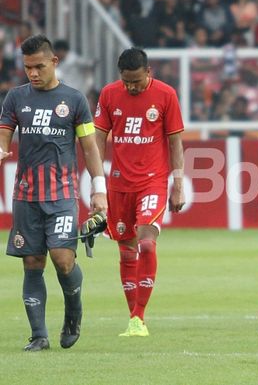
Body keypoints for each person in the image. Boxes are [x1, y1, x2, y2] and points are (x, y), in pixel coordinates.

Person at [1, 35, 108, 351]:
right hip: (25, 196)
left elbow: (89, 148)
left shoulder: (74, 100)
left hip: (62, 195)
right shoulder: (15, 98)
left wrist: (98, 191)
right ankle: (39, 335)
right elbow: (4, 137)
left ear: (54, 62)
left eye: (38, 66)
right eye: (27, 67)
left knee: (63, 260)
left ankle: (73, 313)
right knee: (32, 261)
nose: (32, 73)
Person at [94, 48, 185, 337]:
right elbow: (97, 140)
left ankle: (139, 316)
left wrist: (178, 185)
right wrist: (97, 183)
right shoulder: (109, 95)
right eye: (126, 81)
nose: (132, 87)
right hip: (119, 184)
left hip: (152, 181)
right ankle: (134, 318)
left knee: (146, 244)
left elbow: (175, 142)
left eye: (136, 81)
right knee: (126, 251)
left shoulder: (166, 95)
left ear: (149, 72)